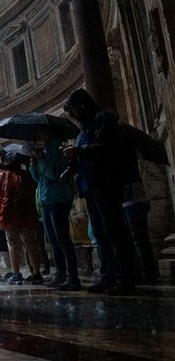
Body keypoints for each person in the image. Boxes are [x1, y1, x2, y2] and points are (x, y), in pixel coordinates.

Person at [62, 88, 137, 295]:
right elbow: (82, 156)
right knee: (100, 234)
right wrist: (70, 167)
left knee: (115, 231)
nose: (73, 116)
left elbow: (105, 148)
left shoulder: (103, 120)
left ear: (83, 106)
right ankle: (108, 276)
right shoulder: (84, 128)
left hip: (106, 184)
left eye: (74, 111)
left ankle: (125, 278)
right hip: (90, 187)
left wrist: (78, 151)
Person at [29, 133, 80, 291]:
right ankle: (60, 274)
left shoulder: (57, 149)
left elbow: (53, 175)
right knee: (52, 239)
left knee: (62, 238)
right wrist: (33, 164)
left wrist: (42, 159)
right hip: (47, 199)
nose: (39, 137)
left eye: (41, 133)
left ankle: (72, 276)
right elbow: (39, 179)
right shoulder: (45, 151)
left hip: (59, 198)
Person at [0, 155, 42, 285]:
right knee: (31, 244)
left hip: (10, 217)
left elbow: (1, 198)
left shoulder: (2, 177)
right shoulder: (27, 175)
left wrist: (2, 217)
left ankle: (16, 273)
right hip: (27, 214)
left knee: (13, 245)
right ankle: (36, 273)